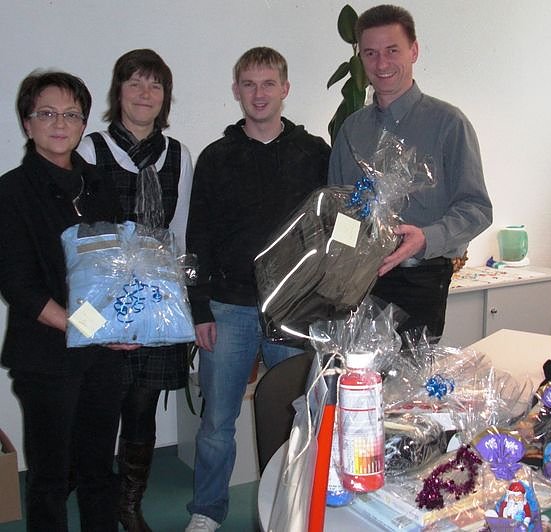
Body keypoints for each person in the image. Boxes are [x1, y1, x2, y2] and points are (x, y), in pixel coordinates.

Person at [184, 47, 330, 531]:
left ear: (285, 89)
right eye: (249, 84)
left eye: (269, 83)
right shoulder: (216, 157)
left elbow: (332, 228)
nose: (259, 93)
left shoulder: (315, 154)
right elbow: (198, 237)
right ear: (236, 90)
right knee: (216, 423)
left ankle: (294, 507)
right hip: (229, 308)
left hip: (294, 308)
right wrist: (199, 308)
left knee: (298, 417)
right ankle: (207, 511)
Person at [0, 71, 128, 531]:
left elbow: (118, 264)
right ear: (27, 123)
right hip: (46, 356)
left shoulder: (99, 183)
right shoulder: (11, 192)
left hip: (102, 355)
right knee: (51, 477)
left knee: (99, 471)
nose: (60, 123)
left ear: (83, 124)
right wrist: (93, 328)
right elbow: (19, 286)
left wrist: (127, 322)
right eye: (47, 113)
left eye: (72, 114)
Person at [77, 49, 193, 532]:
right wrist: (95, 312)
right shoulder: (90, 149)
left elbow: (179, 232)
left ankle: (129, 504)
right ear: (118, 91)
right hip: (106, 300)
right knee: (101, 405)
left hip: (158, 300)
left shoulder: (179, 155)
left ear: (165, 96)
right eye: (135, 83)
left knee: (142, 404)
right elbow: (80, 236)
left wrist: (179, 301)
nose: (145, 93)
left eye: (155, 85)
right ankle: (97, 500)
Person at [328, 4, 492, 338]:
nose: (381, 64)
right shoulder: (351, 130)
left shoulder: (449, 124)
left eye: (392, 50)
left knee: (410, 370)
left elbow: (477, 209)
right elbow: (337, 209)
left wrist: (426, 238)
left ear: (414, 51)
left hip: (422, 278)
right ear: (360, 58)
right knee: (355, 369)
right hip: (358, 281)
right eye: (371, 53)